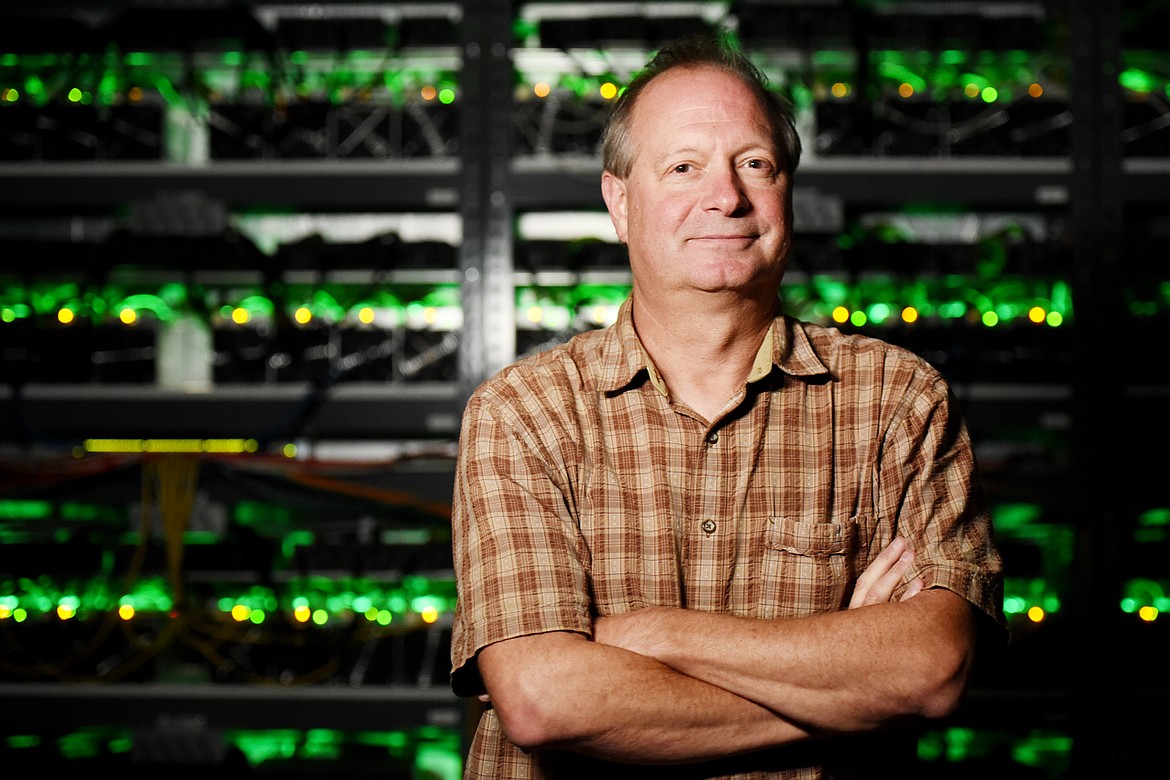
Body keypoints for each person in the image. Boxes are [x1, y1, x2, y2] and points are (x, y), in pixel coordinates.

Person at [449, 33, 1006, 779]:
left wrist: (653, 636)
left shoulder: (898, 403)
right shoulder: (523, 413)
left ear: (787, 193)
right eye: (684, 167)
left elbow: (930, 671)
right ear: (619, 202)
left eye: (755, 164)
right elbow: (545, 700)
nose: (726, 197)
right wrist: (847, 682)